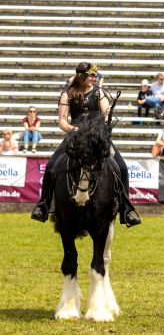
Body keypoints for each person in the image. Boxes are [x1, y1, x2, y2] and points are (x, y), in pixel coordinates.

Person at [31, 62, 141, 227]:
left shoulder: (99, 92)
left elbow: (105, 114)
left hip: (97, 137)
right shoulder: (67, 94)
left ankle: (127, 209)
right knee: (52, 166)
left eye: (95, 75)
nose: (93, 78)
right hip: (75, 137)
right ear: (80, 76)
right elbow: (62, 122)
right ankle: (43, 205)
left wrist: (101, 126)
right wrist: (74, 129)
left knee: (122, 168)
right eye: (90, 75)